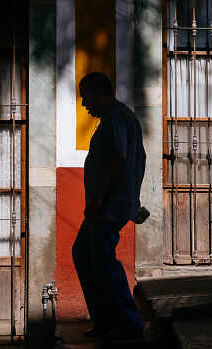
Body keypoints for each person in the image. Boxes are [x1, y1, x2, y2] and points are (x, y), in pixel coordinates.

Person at [71, 72, 146, 341]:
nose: (83, 104)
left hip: (106, 206)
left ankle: (127, 323)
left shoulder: (115, 117)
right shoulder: (122, 117)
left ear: (100, 93)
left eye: (85, 97)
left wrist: (99, 199)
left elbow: (118, 159)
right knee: (83, 254)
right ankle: (104, 319)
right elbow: (139, 158)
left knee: (103, 261)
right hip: (108, 204)